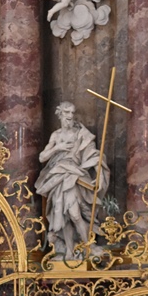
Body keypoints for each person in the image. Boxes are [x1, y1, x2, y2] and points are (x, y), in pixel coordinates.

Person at [34, 101, 110, 260]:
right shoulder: (56, 136)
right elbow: (42, 157)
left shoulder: (81, 133)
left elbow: (94, 155)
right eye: (67, 113)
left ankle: (90, 246)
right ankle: (69, 251)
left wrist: (98, 176)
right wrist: (57, 148)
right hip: (57, 177)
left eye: (72, 113)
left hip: (74, 176)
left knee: (75, 214)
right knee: (64, 215)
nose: (70, 117)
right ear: (60, 114)